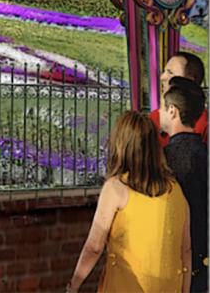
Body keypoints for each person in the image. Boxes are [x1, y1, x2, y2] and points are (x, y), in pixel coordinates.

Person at [66, 110, 191, 293]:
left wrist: (74, 286)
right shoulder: (176, 191)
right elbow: (185, 251)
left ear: (120, 145)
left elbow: (94, 248)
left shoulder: (117, 188)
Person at [161, 81, 209, 293]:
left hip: (174, 254)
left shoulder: (163, 159)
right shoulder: (205, 153)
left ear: (173, 111)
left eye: (163, 108)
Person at [154, 53, 209, 145]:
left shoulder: (206, 125)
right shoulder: (154, 117)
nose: (162, 77)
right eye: (164, 71)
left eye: (170, 72)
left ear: (189, 81)